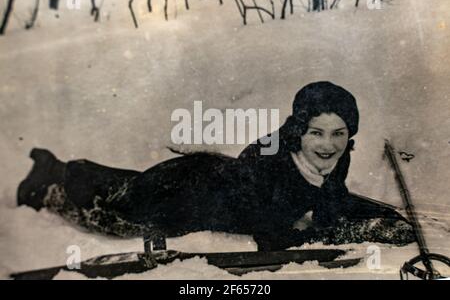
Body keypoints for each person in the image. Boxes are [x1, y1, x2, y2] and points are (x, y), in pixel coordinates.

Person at [17, 81, 415, 250]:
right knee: (117, 214)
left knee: (130, 185)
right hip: (186, 194)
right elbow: (277, 237)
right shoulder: (269, 163)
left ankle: (63, 166)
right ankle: (46, 187)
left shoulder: (335, 154)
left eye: (339, 133)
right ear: (298, 130)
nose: (329, 146)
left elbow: (332, 198)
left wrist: (385, 215)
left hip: (207, 178)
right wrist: (366, 230)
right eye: (317, 133)